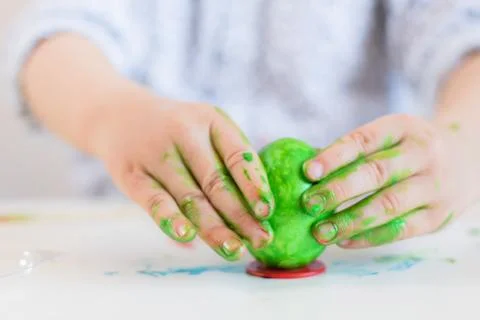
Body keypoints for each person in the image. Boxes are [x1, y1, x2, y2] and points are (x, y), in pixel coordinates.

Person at [4, 0, 480, 261]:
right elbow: (56, 36)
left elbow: (464, 37)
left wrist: (462, 143)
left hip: (354, 257)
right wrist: (115, 114)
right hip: (139, 251)